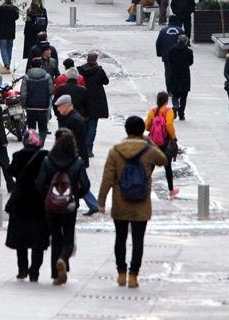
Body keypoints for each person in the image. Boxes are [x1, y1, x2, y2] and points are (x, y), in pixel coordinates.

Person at [98, 116, 167, 288]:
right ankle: (134, 275)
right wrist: (149, 140)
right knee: (138, 240)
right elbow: (163, 160)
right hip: (141, 202)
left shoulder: (116, 150)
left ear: (126, 130)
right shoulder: (148, 150)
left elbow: (107, 177)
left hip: (120, 200)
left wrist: (101, 201)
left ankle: (121, 273)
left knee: (120, 238)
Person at [36, 129, 91, 285]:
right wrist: (75, 195)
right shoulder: (77, 162)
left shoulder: (48, 161)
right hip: (69, 205)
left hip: (52, 205)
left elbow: (39, 184)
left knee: (56, 238)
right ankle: (63, 260)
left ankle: (55, 273)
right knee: (68, 237)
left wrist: (48, 195)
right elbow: (86, 185)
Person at [5, 129, 50, 282]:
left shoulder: (18, 156)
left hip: (21, 201)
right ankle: (35, 271)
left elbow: (10, 171)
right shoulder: (45, 157)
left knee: (21, 239)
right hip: (39, 202)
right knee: (38, 239)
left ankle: (22, 269)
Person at [145, 92, 179, 199]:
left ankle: (144, 188)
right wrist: (173, 136)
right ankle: (171, 190)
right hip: (165, 142)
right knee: (167, 166)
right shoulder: (169, 111)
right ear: (166, 101)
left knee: (150, 166)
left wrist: (154, 130)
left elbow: (147, 126)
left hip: (153, 142)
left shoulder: (152, 111)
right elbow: (169, 124)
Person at [77, 52, 110, 157]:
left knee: (84, 126)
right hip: (95, 102)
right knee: (92, 126)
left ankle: (81, 148)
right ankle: (88, 149)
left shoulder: (80, 70)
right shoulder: (99, 71)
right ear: (95, 60)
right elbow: (106, 81)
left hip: (83, 99)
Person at [22, 58, 54, 144]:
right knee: (43, 129)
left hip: (30, 107)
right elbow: (51, 90)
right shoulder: (47, 76)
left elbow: (24, 93)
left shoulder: (26, 77)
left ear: (31, 66)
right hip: (43, 107)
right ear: (41, 66)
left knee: (31, 129)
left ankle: (33, 145)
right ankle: (41, 144)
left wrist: (23, 105)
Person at [167, 35, 193, 120]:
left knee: (175, 94)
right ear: (186, 41)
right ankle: (181, 114)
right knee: (183, 96)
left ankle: (175, 106)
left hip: (174, 74)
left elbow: (169, 61)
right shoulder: (189, 51)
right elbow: (190, 62)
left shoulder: (171, 50)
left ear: (178, 41)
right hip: (185, 75)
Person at [156, 15, 184, 91]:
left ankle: (169, 89)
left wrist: (159, 53)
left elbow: (158, 43)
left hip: (167, 55)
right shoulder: (180, 30)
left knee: (168, 71)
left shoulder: (163, 31)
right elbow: (184, 43)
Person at [0, 0, 20, 69]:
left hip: (3, 31)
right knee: (9, 47)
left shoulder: (0, 8)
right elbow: (17, 17)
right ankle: (8, 63)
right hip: (11, 31)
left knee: (3, 47)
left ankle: (6, 63)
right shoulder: (15, 9)